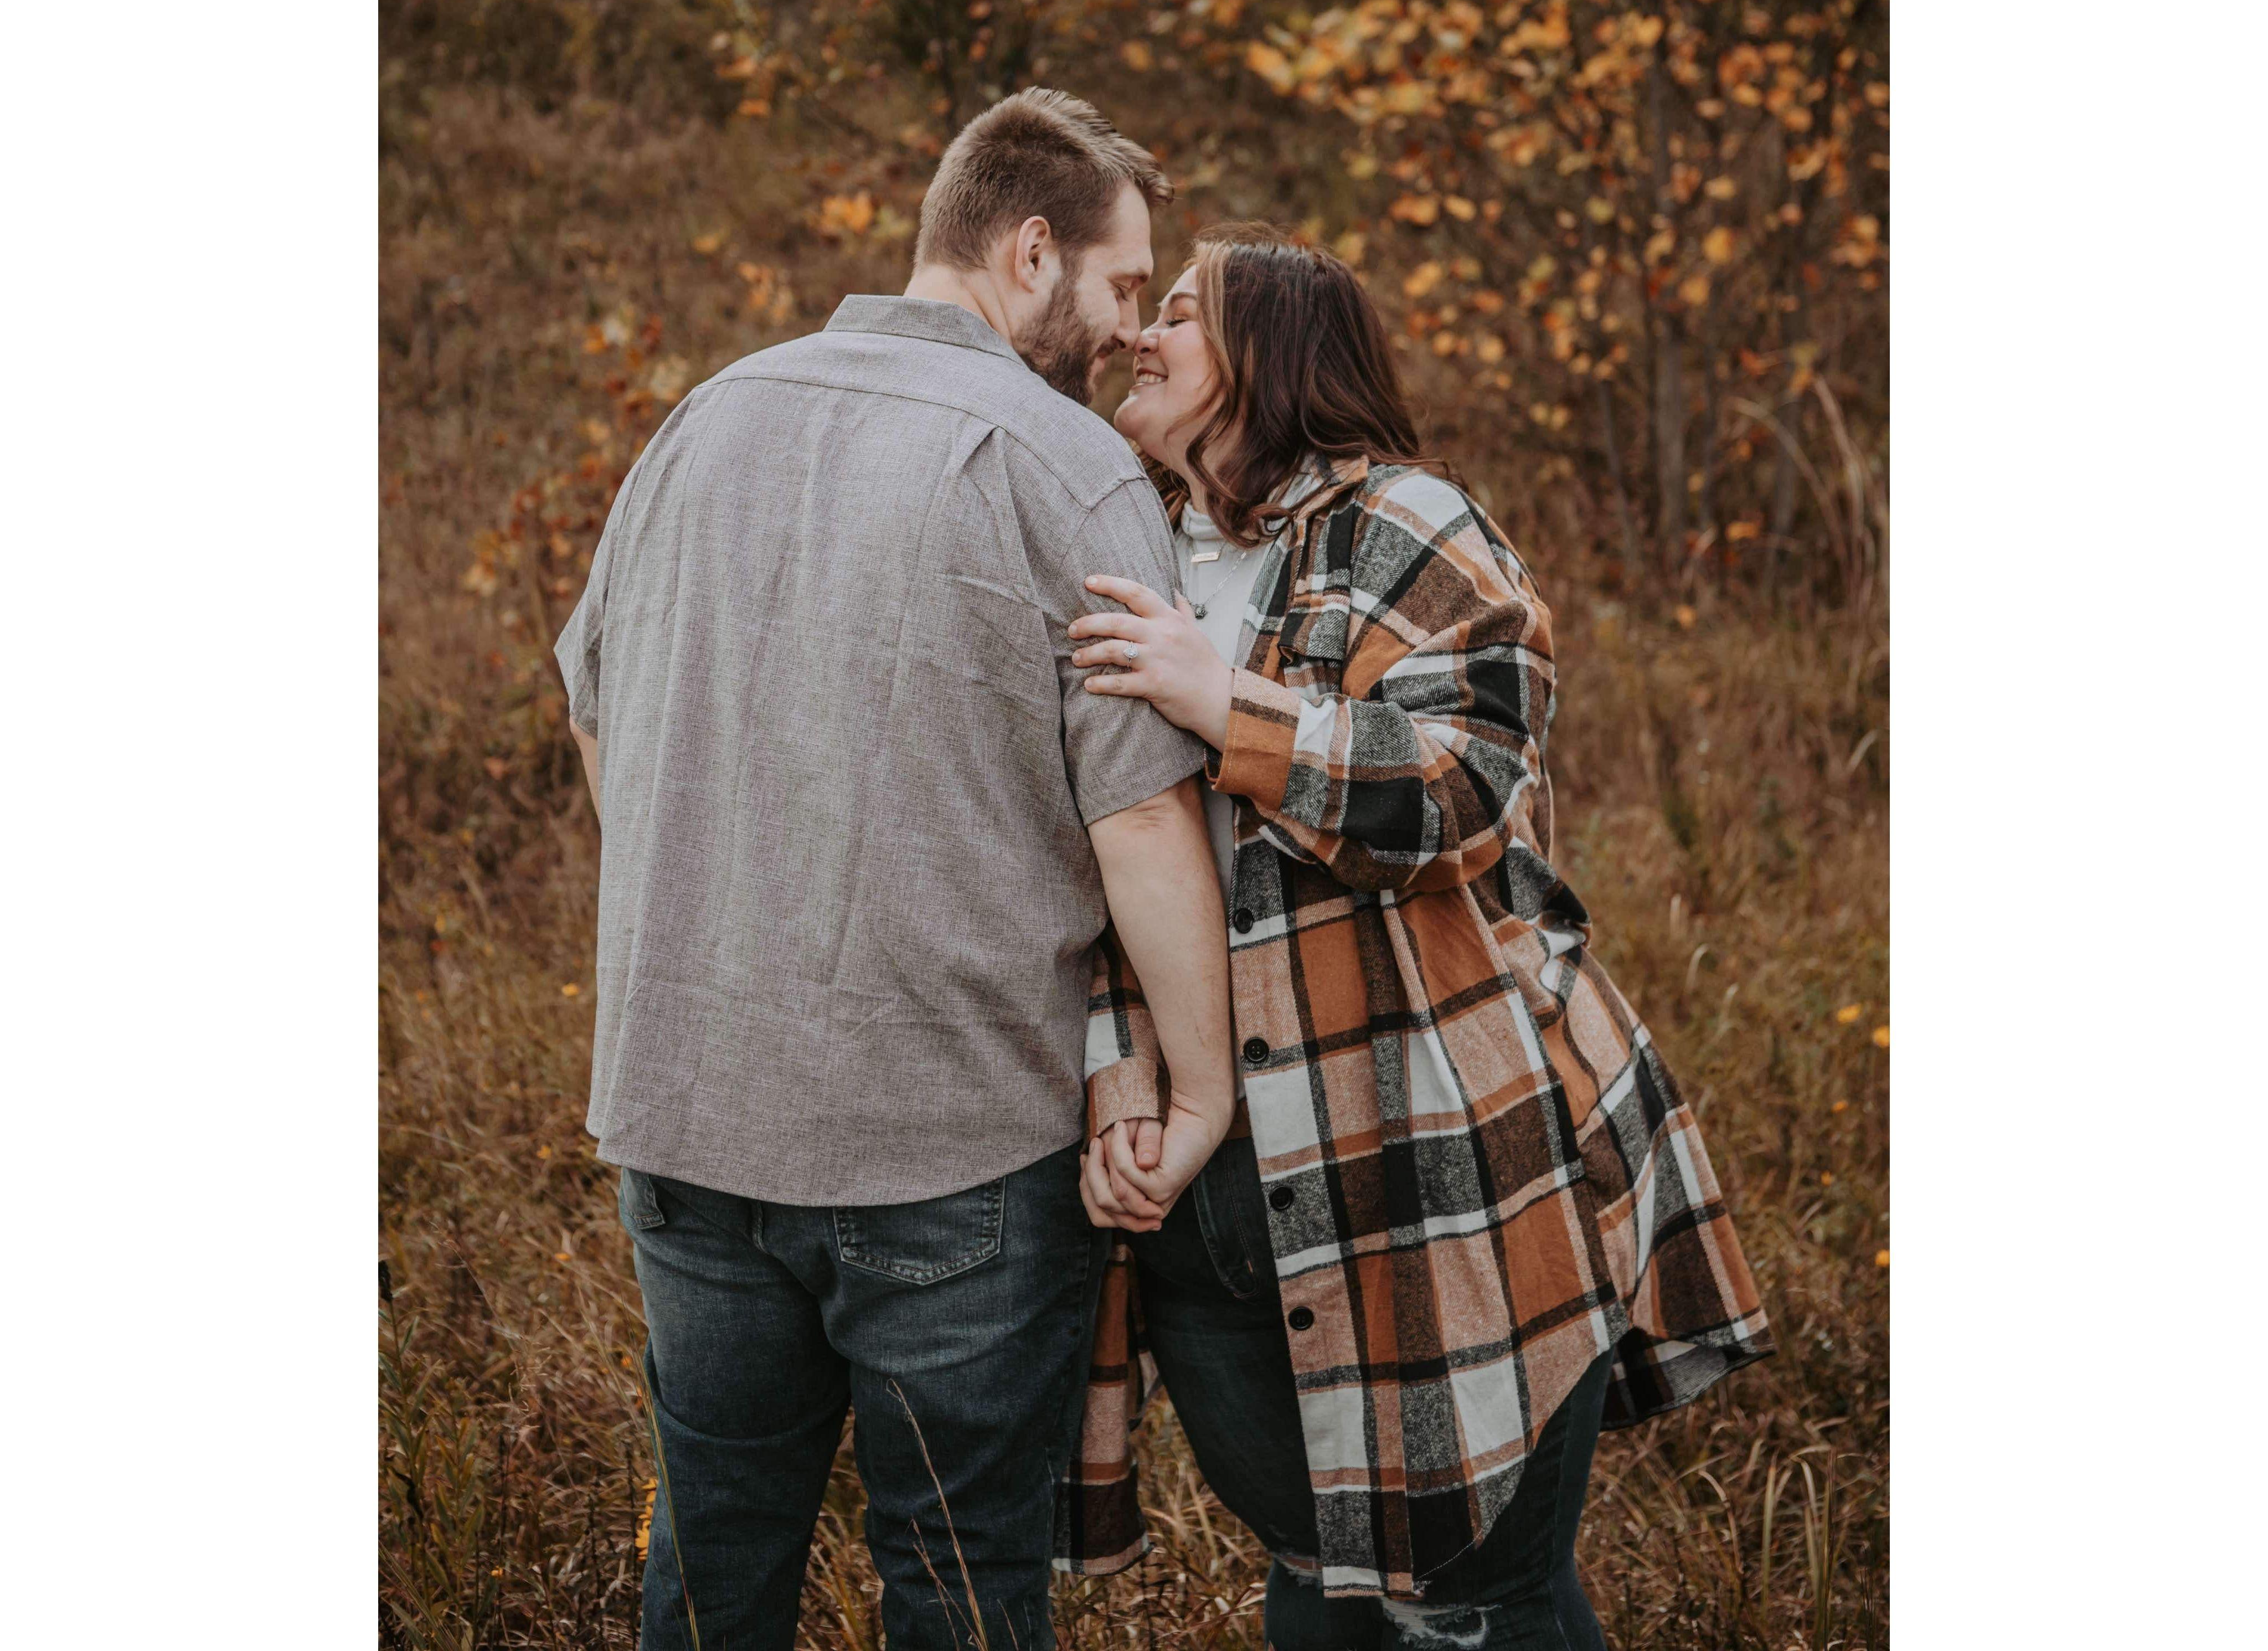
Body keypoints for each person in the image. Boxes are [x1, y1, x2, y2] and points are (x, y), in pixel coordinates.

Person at [554, 91, 1235, 1651]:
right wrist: (1198, 1090)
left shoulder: (703, 418)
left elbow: (594, 705)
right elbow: (1142, 821)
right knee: (957, 1583)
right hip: (952, 1152)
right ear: (1031, 249)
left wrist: (725, 893)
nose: (1130, 333)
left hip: (687, 1117)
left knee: (713, 1567)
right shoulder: (1067, 468)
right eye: (1124, 286)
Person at [1061, 224, 1774, 1649]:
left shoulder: (1407, 522)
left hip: (1425, 1147)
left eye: (1180, 313)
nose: (1140, 334)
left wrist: (1226, 704)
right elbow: (1090, 861)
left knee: (1478, 1601)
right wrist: (1120, 1079)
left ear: (1272, 354)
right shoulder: (1123, 545)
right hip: (1212, 1181)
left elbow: (1465, 787)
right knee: (1320, 1576)